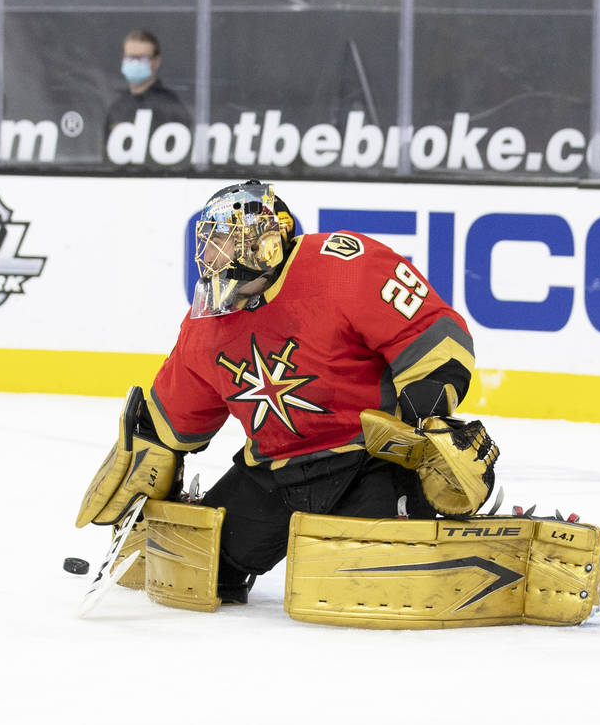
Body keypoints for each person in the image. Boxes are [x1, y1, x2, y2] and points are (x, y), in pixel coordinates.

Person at [76, 179, 492, 606]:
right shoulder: (205, 321)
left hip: (369, 459)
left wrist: (428, 418)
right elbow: (176, 415)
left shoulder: (343, 264)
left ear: (267, 242)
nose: (212, 256)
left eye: (226, 241)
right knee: (189, 571)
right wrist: (153, 453)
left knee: (369, 585)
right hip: (273, 471)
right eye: (209, 243)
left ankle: (465, 534)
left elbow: (430, 333)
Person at [103, 29, 191, 160]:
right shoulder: (117, 107)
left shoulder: (170, 107)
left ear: (156, 61)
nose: (135, 63)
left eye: (142, 58)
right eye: (130, 57)